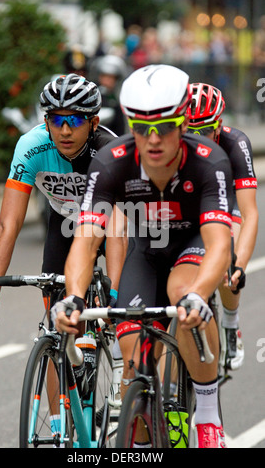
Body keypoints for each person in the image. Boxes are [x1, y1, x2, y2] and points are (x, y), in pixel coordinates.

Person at [52, 64, 234, 448]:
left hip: (190, 247)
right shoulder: (112, 161)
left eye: (164, 127)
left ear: (183, 123)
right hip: (145, 253)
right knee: (134, 365)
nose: (152, 139)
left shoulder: (209, 159)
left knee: (183, 293)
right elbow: (85, 239)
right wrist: (74, 296)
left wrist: (201, 293)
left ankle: (207, 414)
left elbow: (219, 242)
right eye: (141, 128)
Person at [0, 73, 126, 324]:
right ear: (46, 120)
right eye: (56, 120)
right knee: (59, 325)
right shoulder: (31, 147)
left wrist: (115, 293)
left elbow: (119, 229)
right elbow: (9, 225)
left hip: (110, 225)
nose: (64, 131)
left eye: (75, 120)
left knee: (119, 314)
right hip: (64, 221)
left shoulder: (110, 150)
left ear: (94, 122)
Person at [187, 82, 258, 369]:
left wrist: (239, 264)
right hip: (187, 205)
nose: (196, 139)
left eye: (204, 131)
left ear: (218, 125)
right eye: (188, 131)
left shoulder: (235, 144)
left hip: (223, 205)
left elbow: (249, 212)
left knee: (228, 263)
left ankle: (230, 323)